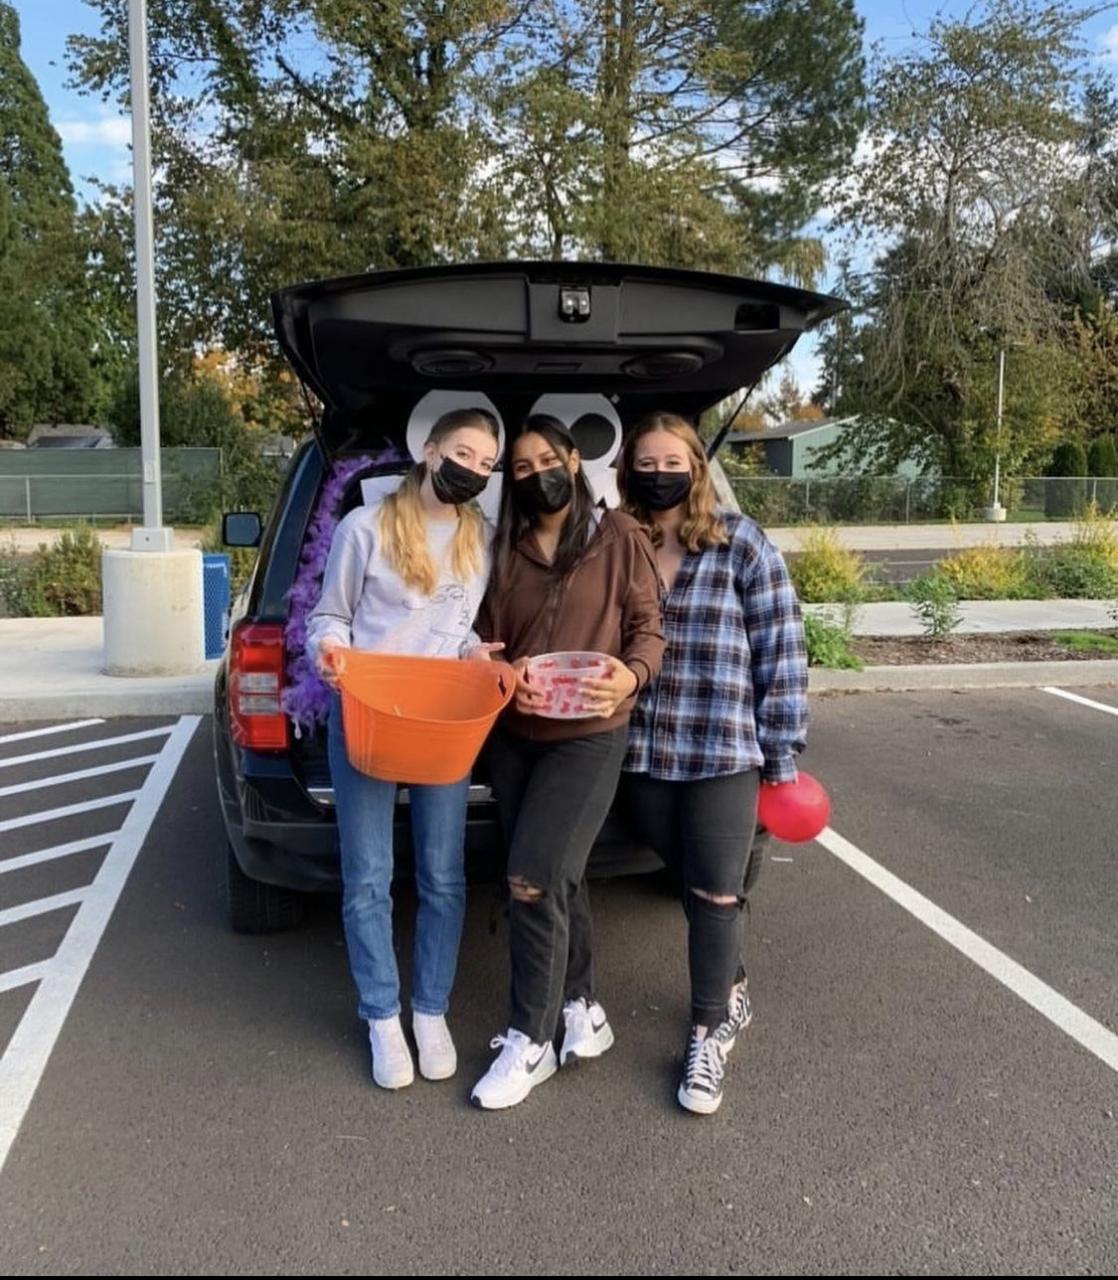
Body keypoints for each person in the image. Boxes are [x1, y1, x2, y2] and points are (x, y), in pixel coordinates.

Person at [469, 413, 665, 1110]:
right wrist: (500, 669)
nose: (536, 476)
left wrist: (632, 675)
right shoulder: (505, 546)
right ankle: (582, 1006)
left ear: (575, 461)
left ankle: (532, 1039)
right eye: (521, 469)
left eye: (546, 462)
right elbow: (484, 637)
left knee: (530, 879)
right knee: (562, 875)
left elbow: (648, 628)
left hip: (590, 732)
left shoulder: (619, 537)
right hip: (515, 734)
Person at [615, 410, 808, 1115]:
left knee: (717, 891)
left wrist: (780, 751)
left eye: (674, 462)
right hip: (642, 748)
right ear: (628, 471)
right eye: (647, 463)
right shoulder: (620, 544)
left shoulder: (739, 541)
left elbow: (782, 645)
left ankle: (707, 1036)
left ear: (696, 469)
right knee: (689, 875)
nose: (660, 474)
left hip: (723, 747)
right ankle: (732, 984)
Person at [306, 407, 502, 1090]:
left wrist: (475, 653)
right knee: (368, 875)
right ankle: (382, 1017)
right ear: (430, 449)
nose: (473, 469)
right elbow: (329, 616)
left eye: (486, 463)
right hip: (368, 713)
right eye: (464, 453)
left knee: (443, 876)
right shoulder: (364, 528)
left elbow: (458, 628)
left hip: (441, 721)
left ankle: (430, 1011)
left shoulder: (481, 537)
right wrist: (330, 651)